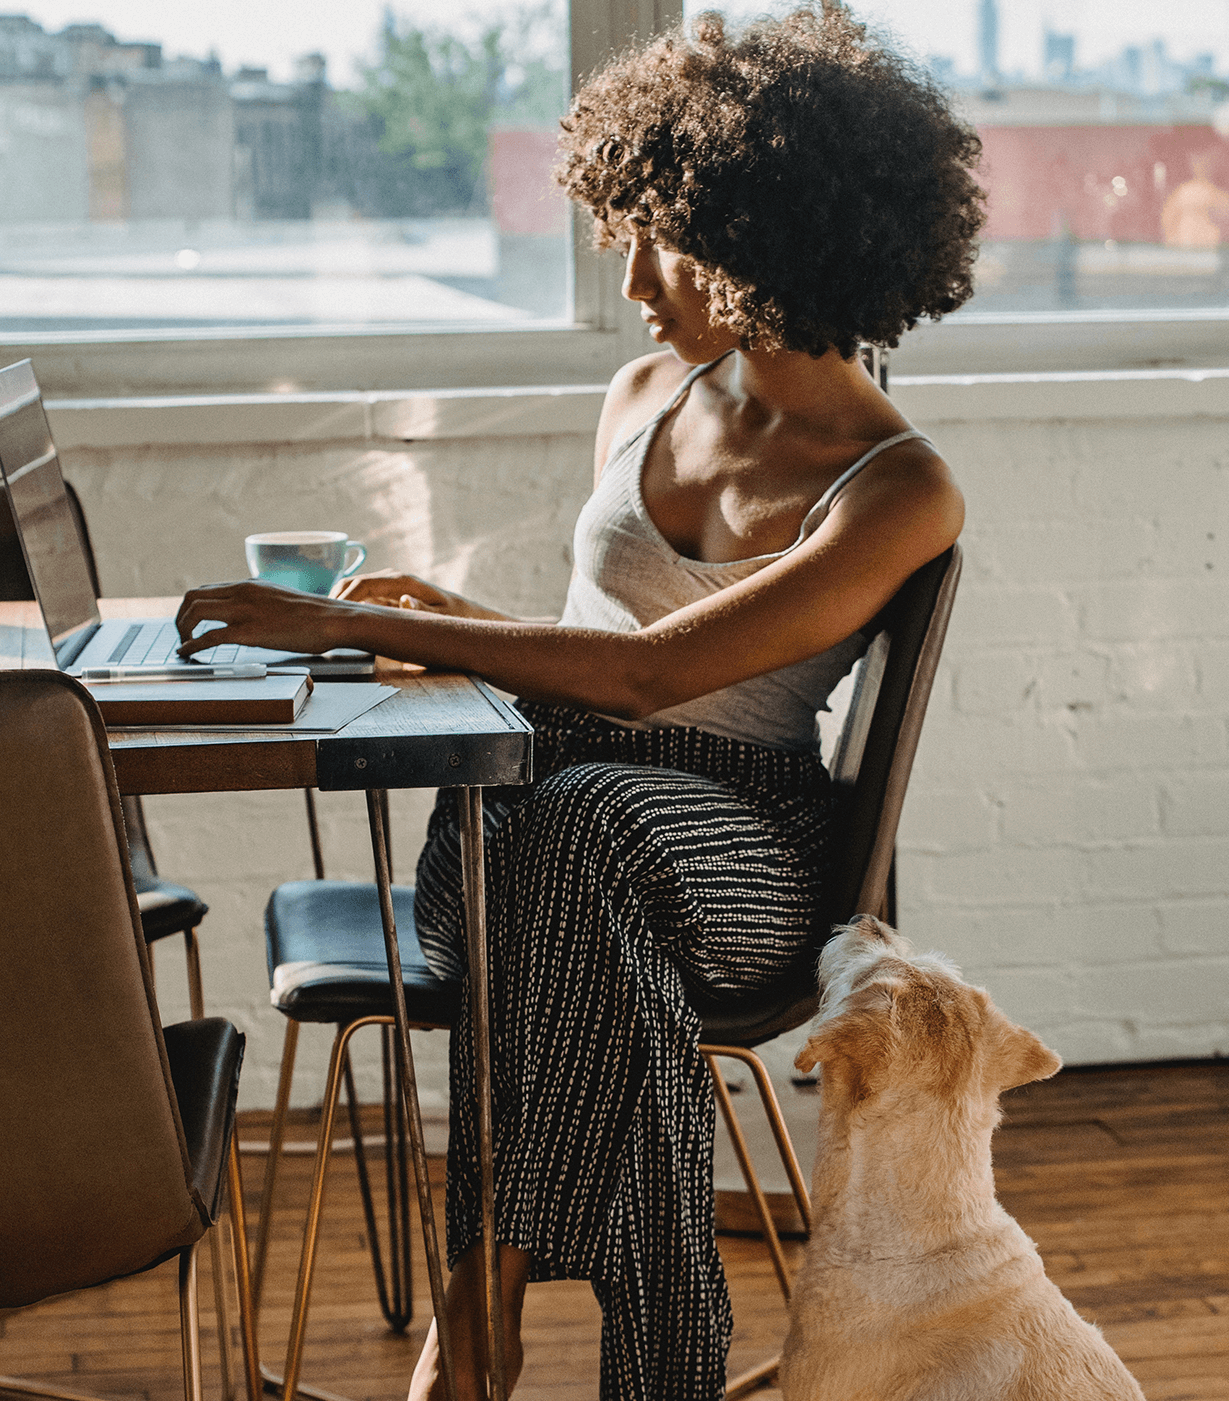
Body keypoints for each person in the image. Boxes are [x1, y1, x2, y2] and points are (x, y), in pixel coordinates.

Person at [176, 6, 983, 1397]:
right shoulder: (645, 394)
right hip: (539, 834)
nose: (633, 285)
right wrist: (469, 628)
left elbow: (662, 674)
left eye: (657, 240)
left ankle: (474, 1317)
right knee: (559, 844)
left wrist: (338, 617)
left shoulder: (898, 488)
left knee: (571, 834)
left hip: (747, 862)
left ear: (762, 238)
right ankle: (644, 1359)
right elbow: (606, 651)